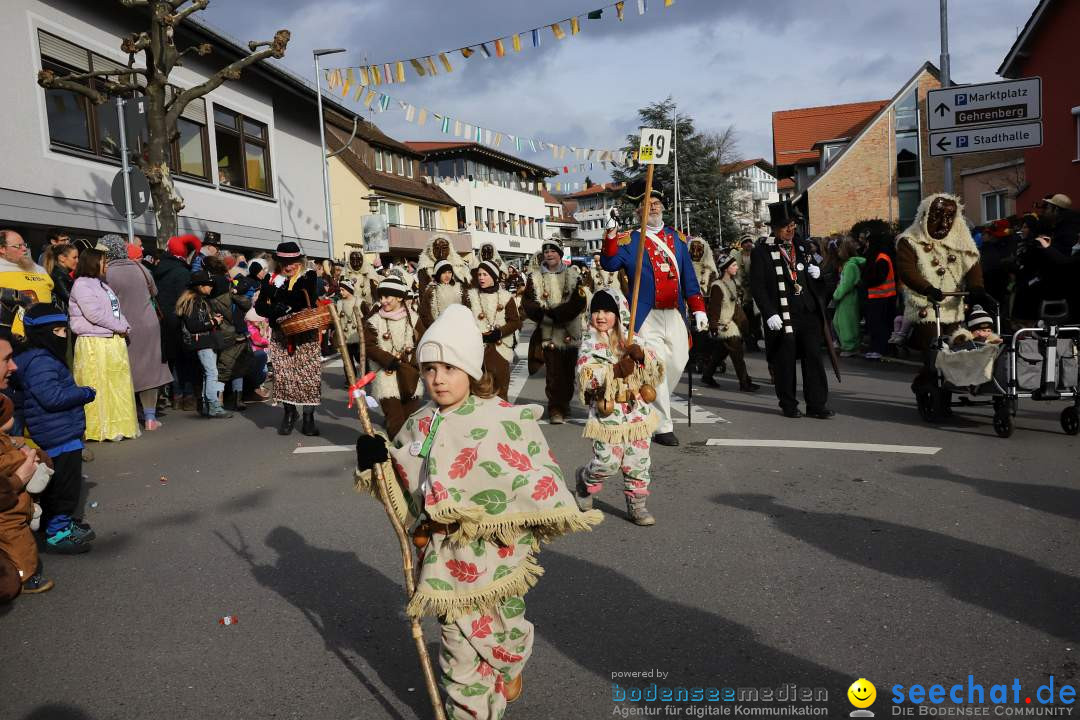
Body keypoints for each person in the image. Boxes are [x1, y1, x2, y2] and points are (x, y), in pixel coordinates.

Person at [353, 304, 602, 719]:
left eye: (449, 368)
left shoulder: (503, 418)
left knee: (505, 628)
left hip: (498, 555)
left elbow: (534, 474)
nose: (437, 379)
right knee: (457, 647)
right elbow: (403, 487)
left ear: (469, 369)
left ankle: (510, 659)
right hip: (443, 556)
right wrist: (374, 459)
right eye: (429, 368)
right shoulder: (420, 423)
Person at [600, 179, 708, 445]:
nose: (653, 208)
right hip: (646, 316)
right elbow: (609, 262)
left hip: (674, 313)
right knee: (656, 364)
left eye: (656, 203)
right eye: (647, 205)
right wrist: (611, 232)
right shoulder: (630, 240)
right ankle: (661, 426)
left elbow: (689, 280)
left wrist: (698, 309)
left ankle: (645, 398)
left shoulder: (678, 239)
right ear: (639, 212)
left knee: (677, 362)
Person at [12, 305, 98, 558]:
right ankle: (58, 531)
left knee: (58, 485)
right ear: (42, 333)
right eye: (58, 331)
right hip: (58, 434)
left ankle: (59, 523)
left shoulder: (40, 358)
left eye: (64, 330)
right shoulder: (41, 360)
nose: (63, 336)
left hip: (60, 432)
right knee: (65, 488)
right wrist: (84, 393)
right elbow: (52, 397)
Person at [573, 290, 663, 525]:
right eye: (596, 311)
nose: (601, 316)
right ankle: (585, 479)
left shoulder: (631, 337)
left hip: (636, 412)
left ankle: (638, 505)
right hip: (608, 414)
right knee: (607, 462)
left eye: (607, 311)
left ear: (618, 313)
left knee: (638, 461)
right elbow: (585, 375)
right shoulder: (589, 343)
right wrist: (614, 371)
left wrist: (641, 355)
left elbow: (655, 367)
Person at [750, 201, 834, 419]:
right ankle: (788, 404)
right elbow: (757, 287)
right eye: (786, 226)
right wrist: (769, 313)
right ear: (775, 227)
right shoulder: (761, 251)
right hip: (782, 313)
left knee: (813, 357)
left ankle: (816, 404)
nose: (791, 229)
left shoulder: (804, 246)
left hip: (807, 312)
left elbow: (822, 276)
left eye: (793, 225)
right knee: (784, 360)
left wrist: (818, 275)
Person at [895, 194, 987, 353]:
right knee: (934, 351)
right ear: (925, 215)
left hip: (954, 307)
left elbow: (972, 263)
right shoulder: (910, 240)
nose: (944, 223)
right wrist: (926, 288)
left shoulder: (961, 240)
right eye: (937, 216)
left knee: (957, 353)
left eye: (950, 217)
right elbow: (907, 270)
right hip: (925, 306)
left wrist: (976, 287)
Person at [100, 235, 172, 431]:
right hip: (149, 324)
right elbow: (154, 292)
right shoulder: (141, 268)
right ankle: (150, 417)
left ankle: (130, 413)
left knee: (126, 368)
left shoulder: (105, 273)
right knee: (149, 368)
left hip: (121, 326)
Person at [68, 249, 139, 440]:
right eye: (103, 262)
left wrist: (124, 325)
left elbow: (115, 310)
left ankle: (118, 426)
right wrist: (119, 327)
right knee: (99, 384)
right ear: (93, 263)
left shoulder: (102, 284)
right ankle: (100, 429)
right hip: (95, 342)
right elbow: (94, 314)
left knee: (116, 386)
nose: (106, 265)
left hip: (111, 340)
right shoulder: (82, 285)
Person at [255, 242, 324, 436]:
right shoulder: (270, 277)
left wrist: (277, 294)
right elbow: (260, 306)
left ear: (299, 260)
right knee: (284, 376)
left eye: (292, 261)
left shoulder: (307, 275)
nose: (288, 266)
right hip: (280, 334)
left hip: (305, 334)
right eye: (284, 262)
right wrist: (273, 310)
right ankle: (289, 413)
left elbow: (303, 299)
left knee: (307, 377)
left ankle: (309, 418)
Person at [520, 238, 587, 424]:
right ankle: (555, 408)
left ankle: (564, 403)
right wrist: (543, 314)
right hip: (548, 332)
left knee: (568, 373)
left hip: (569, 330)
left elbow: (580, 300)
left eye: (553, 251)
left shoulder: (573, 275)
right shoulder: (535, 278)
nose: (549, 254)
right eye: (546, 251)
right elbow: (527, 302)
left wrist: (557, 314)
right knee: (553, 373)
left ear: (560, 254)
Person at [363, 276, 421, 438]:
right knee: (395, 421)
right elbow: (369, 346)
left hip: (409, 377)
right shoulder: (375, 321)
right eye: (380, 297)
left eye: (387, 297)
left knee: (411, 419)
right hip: (385, 376)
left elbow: (423, 343)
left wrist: (413, 365)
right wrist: (388, 359)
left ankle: (411, 456)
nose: (383, 301)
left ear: (400, 297)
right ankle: (396, 456)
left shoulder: (414, 319)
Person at [154, 234, 201, 411]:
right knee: (186, 360)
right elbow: (185, 301)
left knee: (172, 359)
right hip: (179, 321)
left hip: (163, 320)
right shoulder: (182, 272)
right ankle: (187, 397)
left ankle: (176, 395)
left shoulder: (159, 270)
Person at [176, 271, 232, 419]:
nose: (211, 287)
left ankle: (208, 406)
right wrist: (214, 321)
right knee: (211, 373)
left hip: (201, 341)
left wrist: (212, 318)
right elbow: (194, 325)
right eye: (209, 285)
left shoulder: (195, 300)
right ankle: (213, 406)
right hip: (202, 341)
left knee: (208, 373)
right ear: (200, 286)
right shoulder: (195, 301)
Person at [464, 260, 521, 400]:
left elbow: (515, 322)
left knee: (501, 388)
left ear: (494, 276)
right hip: (477, 348)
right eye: (479, 274)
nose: (481, 278)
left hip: (500, 348)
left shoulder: (506, 297)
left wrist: (499, 332)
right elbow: (464, 320)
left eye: (485, 274)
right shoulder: (470, 297)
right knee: (477, 389)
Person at [702, 253, 759, 392]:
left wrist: (744, 324)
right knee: (737, 355)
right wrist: (714, 326)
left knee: (720, 353)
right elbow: (714, 308)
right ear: (726, 268)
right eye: (733, 266)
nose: (736, 268)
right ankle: (745, 383)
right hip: (724, 325)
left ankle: (707, 375)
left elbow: (736, 307)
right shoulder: (717, 286)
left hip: (731, 322)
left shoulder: (733, 283)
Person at [203, 255, 253, 412]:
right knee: (237, 365)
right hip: (238, 330)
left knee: (222, 367)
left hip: (222, 331)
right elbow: (246, 304)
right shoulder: (230, 282)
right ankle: (238, 398)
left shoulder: (208, 285)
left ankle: (220, 399)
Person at [0, 230, 55, 333]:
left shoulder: (39, 270)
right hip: (10, 338)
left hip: (43, 335)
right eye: (18, 246)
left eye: (24, 245)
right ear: (2, 249)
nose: (25, 249)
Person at [862, 230, 898, 361]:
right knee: (874, 325)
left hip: (883, 297)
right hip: (878, 297)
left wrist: (866, 281)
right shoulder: (878, 256)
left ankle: (879, 349)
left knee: (880, 325)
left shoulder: (882, 257)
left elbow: (879, 278)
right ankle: (875, 348)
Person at [831, 238, 866, 357]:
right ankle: (847, 345)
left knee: (847, 323)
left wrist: (836, 294)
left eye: (840, 249)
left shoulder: (851, 266)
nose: (838, 252)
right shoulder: (849, 264)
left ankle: (851, 346)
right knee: (838, 322)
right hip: (845, 298)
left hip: (848, 298)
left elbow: (846, 284)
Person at [418, 259, 465, 330]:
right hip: (438, 330)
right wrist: (433, 327)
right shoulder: (431, 290)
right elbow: (424, 313)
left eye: (449, 272)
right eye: (444, 273)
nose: (447, 276)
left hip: (458, 327)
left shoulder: (459, 288)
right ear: (438, 274)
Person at [734, 235, 760, 352]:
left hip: (756, 293)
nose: (748, 244)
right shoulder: (737, 257)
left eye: (750, 242)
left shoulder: (756, 255)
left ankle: (754, 341)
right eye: (745, 242)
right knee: (745, 319)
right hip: (743, 294)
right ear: (742, 245)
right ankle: (748, 342)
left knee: (756, 320)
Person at [343, 250, 382, 316]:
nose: (355, 263)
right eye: (352, 260)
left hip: (368, 307)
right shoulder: (345, 273)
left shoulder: (369, 271)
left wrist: (378, 304)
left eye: (358, 260)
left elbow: (374, 290)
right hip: (351, 309)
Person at [44, 244, 77, 312]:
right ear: (62, 258)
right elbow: (70, 299)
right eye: (74, 257)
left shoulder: (62, 274)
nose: (77, 261)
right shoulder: (59, 276)